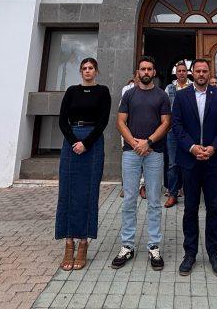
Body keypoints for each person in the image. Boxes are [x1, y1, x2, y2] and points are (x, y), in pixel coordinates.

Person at [171, 58, 217, 277]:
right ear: (191, 73)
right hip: (190, 161)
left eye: (205, 71)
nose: (201, 74)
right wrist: (192, 147)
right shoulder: (181, 96)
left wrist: (214, 148)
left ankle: (214, 253)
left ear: (209, 73)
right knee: (190, 209)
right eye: (197, 71)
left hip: (214, 162)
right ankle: (190, 254)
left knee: (214, 208)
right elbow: (176, 126)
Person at [112, 57, 171, 271]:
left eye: (149, 69)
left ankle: (154, 246)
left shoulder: (162, 95)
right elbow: (120, 121)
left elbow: (166, 122)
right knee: (129, 199)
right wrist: (135, 143)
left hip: (154, 152)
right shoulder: (129, 94)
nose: (146, 71)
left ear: (154, 72)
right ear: (138, 72)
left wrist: (148, 142)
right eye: (142, 68)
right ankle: (127, 245)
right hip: (131, 152)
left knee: (154, 201)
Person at [55, 58, 112, 271]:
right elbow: (62, 120)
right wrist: (74, 142)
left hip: (93, 143)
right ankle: (69, 242)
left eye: (91, 68)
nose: (88, 71)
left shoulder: (103, 91)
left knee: (88, 192)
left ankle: (84, 243)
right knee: (68, 191)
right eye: (84, 68)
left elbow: (103, 121)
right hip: (71, 142)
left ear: (96, 71)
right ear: (81, 71)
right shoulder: (71, 91)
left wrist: (86, 143)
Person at [164, 62, 191, 208]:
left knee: (189, 163)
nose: (181, 73)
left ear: (187, 72)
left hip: (189, 131)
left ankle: (190, 193)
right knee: (173, 164)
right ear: (176, 73)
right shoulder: (170, 88)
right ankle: (173, 194)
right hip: (173, 132)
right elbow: (165, 108)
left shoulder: (192, 87)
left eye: (183, 70)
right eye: (179, 71)